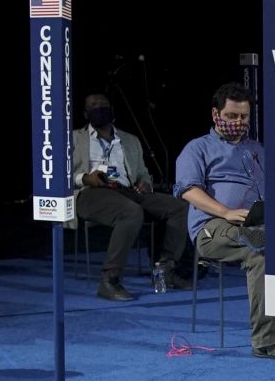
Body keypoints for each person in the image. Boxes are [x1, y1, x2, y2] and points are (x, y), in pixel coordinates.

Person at [174, 84, 275, 360]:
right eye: (231, 116)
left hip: (257, 222)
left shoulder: (258, 149)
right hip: (214, 227)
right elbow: (187, 190)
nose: (238, 123)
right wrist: (225, 211)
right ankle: (267, 341)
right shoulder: (198, 148)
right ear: (215, 114)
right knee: (262, 253)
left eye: (243, 117)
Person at [73, 93, 190, 301]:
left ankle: (165, 270)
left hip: (127, 191)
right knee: (131, 212)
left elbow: (143, 172)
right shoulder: (74, 138)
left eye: (103, 105)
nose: (98, 108)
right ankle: (109, 280)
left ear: (112, 110)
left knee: (179, 207)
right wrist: (84, 178)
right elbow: (58, 175)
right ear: (85, 113)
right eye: (93, 106)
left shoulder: (129, 140)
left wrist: (145, 183)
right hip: (91, 193)